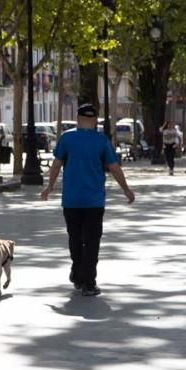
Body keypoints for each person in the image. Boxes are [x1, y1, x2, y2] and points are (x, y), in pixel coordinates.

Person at [41, 104, 135, 296]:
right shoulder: (101, 141)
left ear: (77, 118)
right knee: (92, 241)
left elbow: (56, 165)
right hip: (94, 200)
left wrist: (49, 187)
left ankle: (77, 273)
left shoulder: (66, 138)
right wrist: (126, 189)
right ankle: (89, 282)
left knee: (74, 239)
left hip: (71, 200)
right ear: (95, 120)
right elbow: (115, 167)